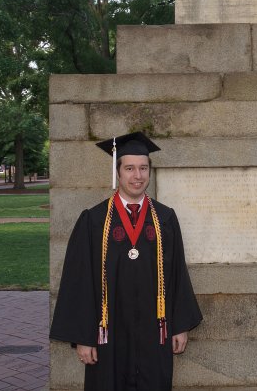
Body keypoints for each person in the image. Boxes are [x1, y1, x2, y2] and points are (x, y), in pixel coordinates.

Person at [50, 132, 202, 391]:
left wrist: (179, 326)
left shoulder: (165, 219)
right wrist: (84, 338)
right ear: (117, 172)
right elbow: (80, 280)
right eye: (129, 168)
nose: (137, 176)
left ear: (150, 172)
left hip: (155, 333)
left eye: (143, 168)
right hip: (108, 336)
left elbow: (177, 274)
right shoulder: (93, 221)